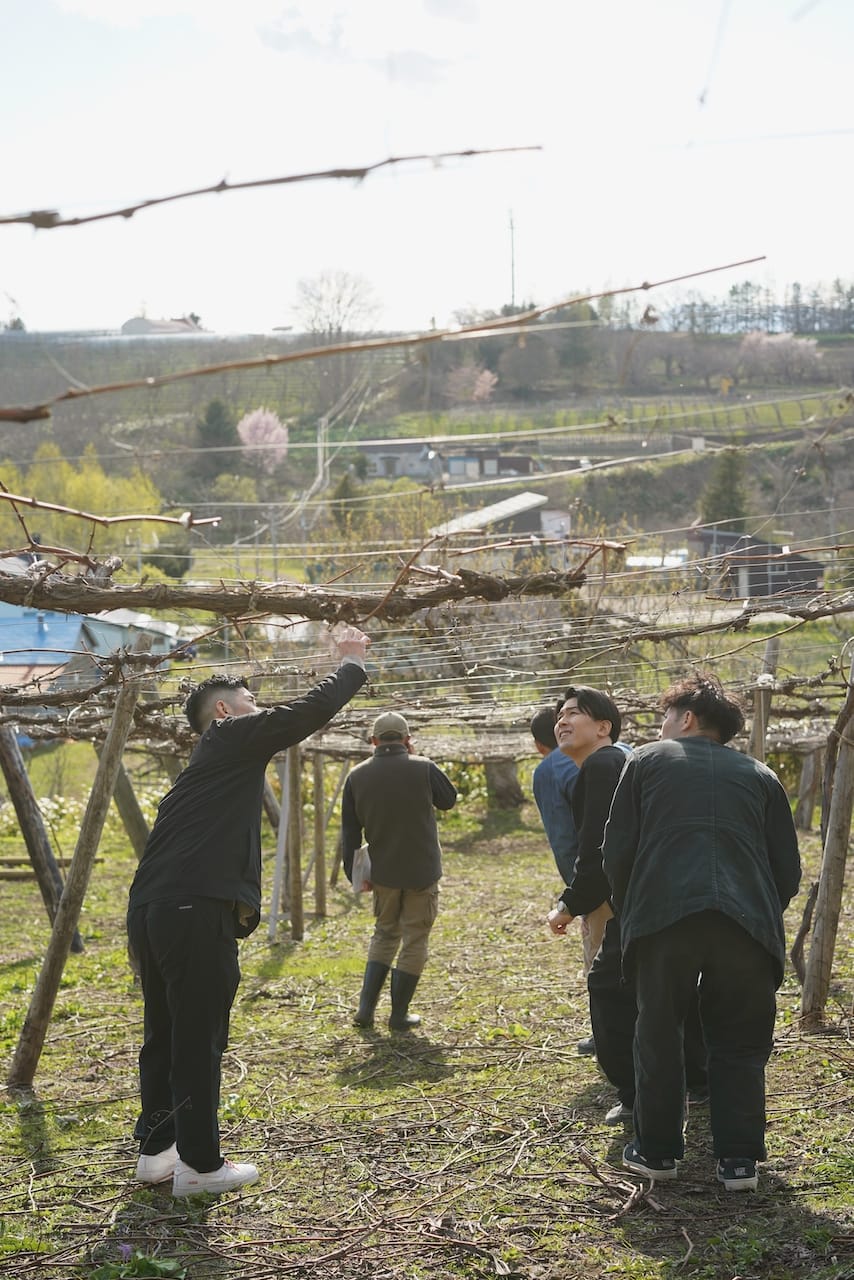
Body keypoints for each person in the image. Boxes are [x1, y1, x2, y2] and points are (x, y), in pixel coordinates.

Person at [127, 624, 370, 1195]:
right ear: (221, 710)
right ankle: (202, 1167)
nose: (257, 707)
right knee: (198, 1034)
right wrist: (351, 663)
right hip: (194, 906)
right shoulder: (228, 737)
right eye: (249, 700)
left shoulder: (204, 769)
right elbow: (297, 716)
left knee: (163, 1031)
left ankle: (157, 1153)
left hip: (153, 907)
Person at [602, 673, 801, 1190]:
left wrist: (633, 910)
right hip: (747, 921)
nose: (662, 725)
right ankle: (738, 1162)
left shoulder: (645, 760)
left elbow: (617, 848)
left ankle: (657, 1152)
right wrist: (755, 910)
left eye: (667, 716)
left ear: (686, 718)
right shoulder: (761, 775)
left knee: (659, 1030)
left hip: (664, 916)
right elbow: (788, 869)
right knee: (739, 1038)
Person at [341, 711, 457, 1032]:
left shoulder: (356, 777)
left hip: (384, 872)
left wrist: (354, 873)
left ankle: (365, 1011)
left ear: (373, 742)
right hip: (423, 871)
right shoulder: (424, 767)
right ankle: (398, 1015)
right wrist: (418, 759)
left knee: (385, 932)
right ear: (407, 739)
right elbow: (448, 800)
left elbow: (349, 833)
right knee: (415, 938)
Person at [530, 706, 609, 1055]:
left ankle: (606, 1032)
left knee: (601, 958)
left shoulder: (548, 771)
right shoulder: (623, 755)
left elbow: (566, 839)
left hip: (596, 882)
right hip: (638, 882)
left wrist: (573, 899)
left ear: (537, 745)